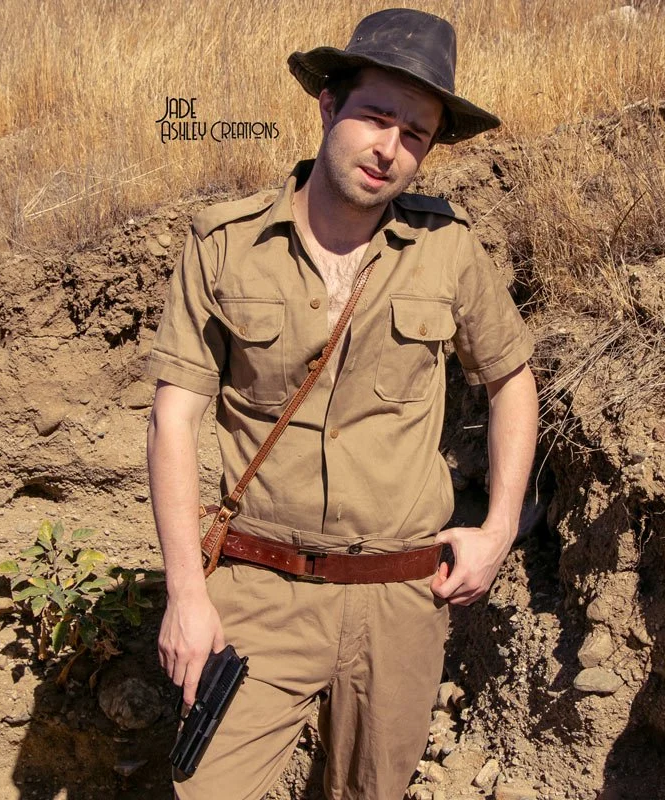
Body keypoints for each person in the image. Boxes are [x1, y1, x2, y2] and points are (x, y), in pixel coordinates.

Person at [144, 8, 538, 799]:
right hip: (258, 589)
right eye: (376, 117)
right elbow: (172, 417)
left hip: (400, 598)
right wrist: (186, 594)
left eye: (415, 133)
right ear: (329, 106)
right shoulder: (224, 246)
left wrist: (498, 530)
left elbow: (511, 380)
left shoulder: (448, 249)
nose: (390, 148)